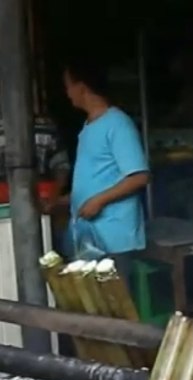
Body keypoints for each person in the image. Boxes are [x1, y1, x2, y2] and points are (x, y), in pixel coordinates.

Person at [55, 60, 149, 267]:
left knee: (113, 298)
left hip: (113, 237)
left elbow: (139, 176)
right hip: (89, 236)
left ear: (81, 87)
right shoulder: (88, 127)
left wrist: (99, 201)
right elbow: (95, 180)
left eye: (68, 86)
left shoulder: (117, 123)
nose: (68, 93)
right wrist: (61, 201)